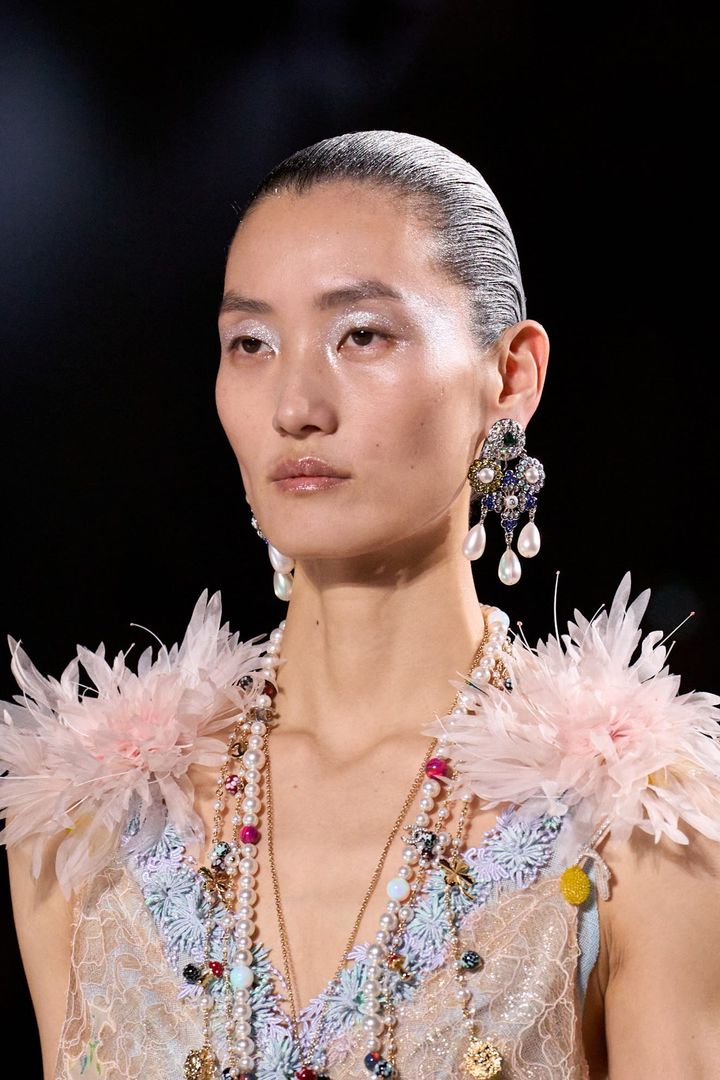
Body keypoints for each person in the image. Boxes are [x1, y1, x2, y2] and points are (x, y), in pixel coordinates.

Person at [2, 130, 719, 1080]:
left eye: (362, 335)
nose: (296, 404)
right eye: (251, 344)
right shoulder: (87, 825)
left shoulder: (640, 829)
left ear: (510, 377)